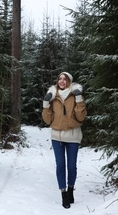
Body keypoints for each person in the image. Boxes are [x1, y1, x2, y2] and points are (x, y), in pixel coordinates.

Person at [42, 71, 87, 209]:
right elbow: (47, 120)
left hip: (73, 135)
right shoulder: (53, 96)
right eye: (59, 79)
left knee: (71, 166)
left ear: (69, 81)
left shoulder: (75, 95)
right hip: (57, 137)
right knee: (60, 165)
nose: (62, 81)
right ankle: (63, 194)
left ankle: (71, 189)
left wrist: (79, 99)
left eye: (65, 79)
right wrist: (46, 103)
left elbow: (81, 117)